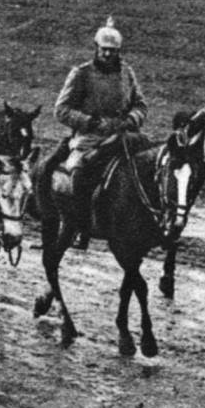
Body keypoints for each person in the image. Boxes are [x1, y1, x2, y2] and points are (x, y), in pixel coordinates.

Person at [51, 18, 147, 251]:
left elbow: (141, 105)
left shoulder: (127, 73)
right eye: (103, 49)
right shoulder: (81, 74)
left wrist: (131, 119)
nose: (107, 54)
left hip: (122, 135)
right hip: (90, 139)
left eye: (112, 51)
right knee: (79, 172)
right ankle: (78, 223)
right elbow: (61, 110)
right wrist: (90, 122)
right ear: (96, 48)